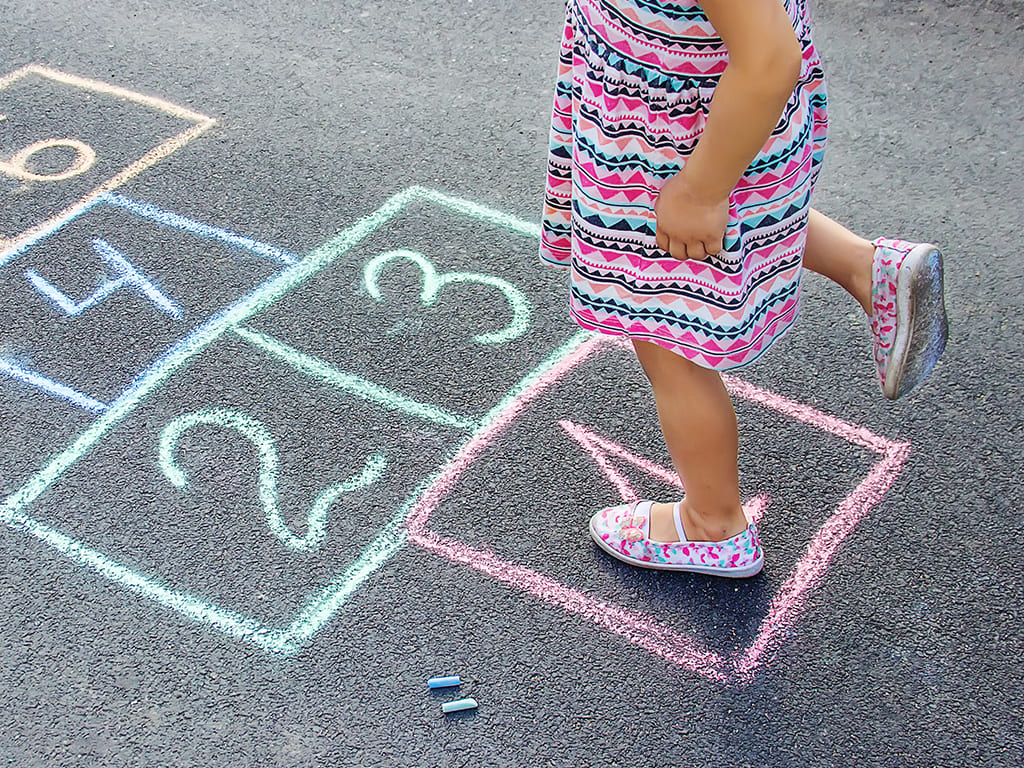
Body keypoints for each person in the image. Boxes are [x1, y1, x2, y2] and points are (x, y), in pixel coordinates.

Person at [540, 0, 948, 577]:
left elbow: (767, 60)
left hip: (680, 146)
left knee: (666, 335)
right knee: (745, 225)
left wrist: (701, 190)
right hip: (692, 119)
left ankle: (712, 523)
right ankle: (868, 268)